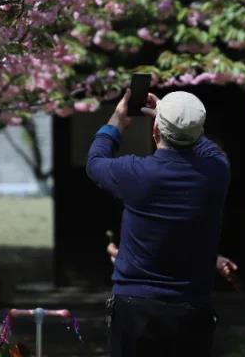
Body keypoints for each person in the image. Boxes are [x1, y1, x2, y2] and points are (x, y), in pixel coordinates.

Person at [87, 88, 232, 357]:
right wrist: (178, 121)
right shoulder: (217, 172)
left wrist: (118, 119)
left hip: (135, 307)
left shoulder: (137, 174)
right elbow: (208, 148)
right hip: (192, 308)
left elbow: (95, 160)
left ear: (155, 133)